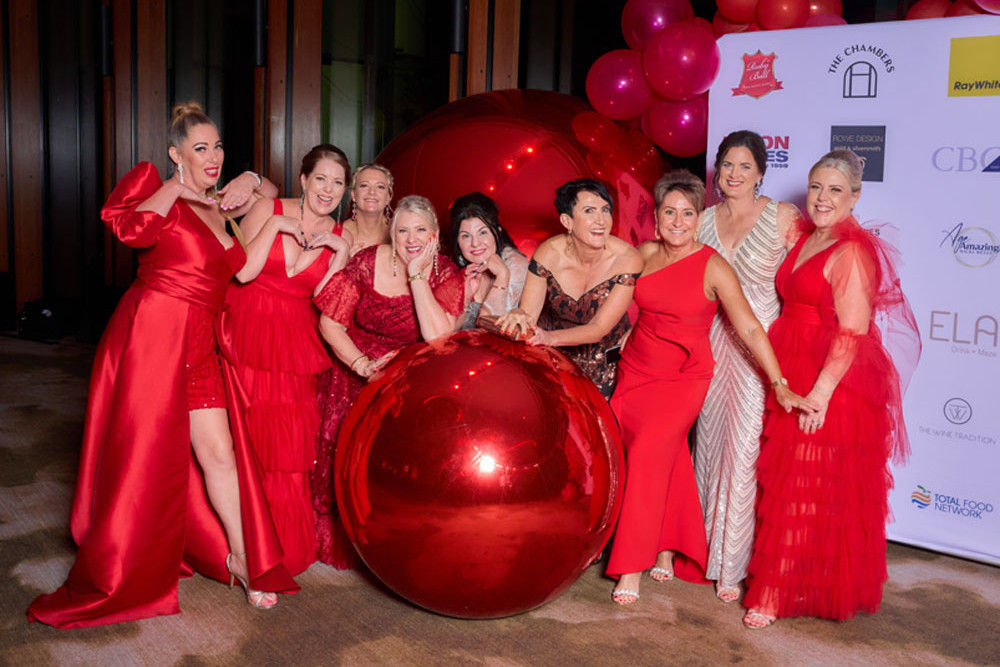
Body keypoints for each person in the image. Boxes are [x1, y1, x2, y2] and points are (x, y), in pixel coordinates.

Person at [28, 102, 298, 627]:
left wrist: (252, 176)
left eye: (218, 145)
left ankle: (242, 558)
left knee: (219, 454)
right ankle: (125, 562)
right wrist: (177, 189)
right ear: (176, 154)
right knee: (142, 457)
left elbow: (273, 197)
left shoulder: (226, 205)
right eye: (201, 148)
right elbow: (128, 229)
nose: (213, 155)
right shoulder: (161, 194)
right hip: (153, 337)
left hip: (201, 344)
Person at [605, 171, 808, 606]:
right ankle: (666, 547)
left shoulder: (713, 266)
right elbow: (619, 302)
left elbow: (751, 327)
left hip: (683, 379)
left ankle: (631, 565)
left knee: (645, 457)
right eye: (669, 212)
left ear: (700, 219)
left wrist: (779, 382)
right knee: (667, 457)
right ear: (656, 218)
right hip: (637, 370)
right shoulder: (643, 254)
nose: (678, 221)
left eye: (688, 213)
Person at [742, 150, 918, 629]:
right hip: (792, 363)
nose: (822, 198)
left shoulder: (853, 251)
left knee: (807, 485)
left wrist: (820, 395)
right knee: (788, 484)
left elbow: (852, 331)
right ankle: (786, 581)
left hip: (830, 380)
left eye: (835, 190)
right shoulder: (805, 236)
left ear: (855, 196)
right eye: (816, 187)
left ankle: (776, 590)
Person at [219, 144, 352, 576]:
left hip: (294, 343)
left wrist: (342, 254)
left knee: (287, 447)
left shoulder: (341, 235)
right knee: (243, 437)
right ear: (304, 180)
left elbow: (323, 298)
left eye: (337, 183)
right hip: (248, 330)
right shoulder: (270, 208)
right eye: (321, 180)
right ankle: (240, 545)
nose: (328, 190)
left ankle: (279, 546)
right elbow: (242, 273)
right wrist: (276, 223)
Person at [313, 194, 464, 567]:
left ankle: (392, 548)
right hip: (354, 370)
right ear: (391, 233)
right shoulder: (365, 263)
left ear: (434, 236)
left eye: (420, 230)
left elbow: (437, 337)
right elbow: (329, 324)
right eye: (402, 230)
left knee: (396, 469)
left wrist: (416, 274)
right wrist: (362, 365)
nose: (411, 238)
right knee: (340, 461)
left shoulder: (446, 272)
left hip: (409, 384)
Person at [693, 130, 802, 603]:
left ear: (761, 171)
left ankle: (732, 567)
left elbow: (806, 280)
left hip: (762, 349)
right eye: (727, 165)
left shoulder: (782, 216)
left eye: (744, 166)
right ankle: (701, 552)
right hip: (711, 345)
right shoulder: (700, 221)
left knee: (745, 453)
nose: (734, 174)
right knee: (709, 445)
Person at [496, 179, 642, 398]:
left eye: (605, 210)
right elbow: (529, 314)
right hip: (553, 358)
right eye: (589, 211)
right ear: (567, 221)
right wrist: (519, 314)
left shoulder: (628, 259)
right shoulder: (548, 253)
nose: (601, 220)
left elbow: (599, 328)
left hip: (603, 363)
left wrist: (550, 338)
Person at [448, 192, 529, 329]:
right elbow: (446, 334)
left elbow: (491, 329)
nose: (475, 243)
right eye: (466, 236)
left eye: (483, 232)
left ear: (497, 232)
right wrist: (465, 299)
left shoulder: (516, 264)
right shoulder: (451, 269)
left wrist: (502, 276)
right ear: (457, 241)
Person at [343, 163, 394, 255]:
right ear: (353, 194)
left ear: (388, 197)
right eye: (364, 185)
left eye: (380, 187)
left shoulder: (400, 232)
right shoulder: (338, 234)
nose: (372, 192)